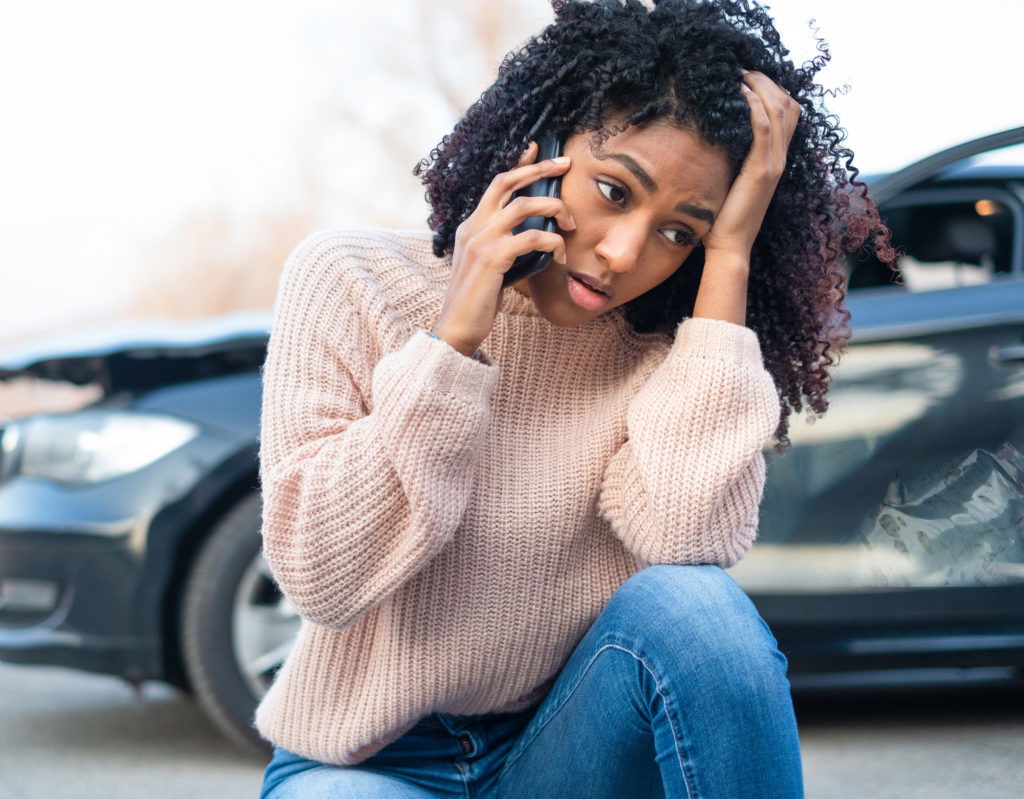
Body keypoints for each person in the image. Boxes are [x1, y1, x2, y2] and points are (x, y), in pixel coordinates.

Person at [254, 0, 893, 796]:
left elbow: (686, 538)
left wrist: (729, 254)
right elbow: (323, 575)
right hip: (368, 763)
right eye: (616, 191)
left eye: (678, 233)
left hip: (562, 751)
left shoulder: (671, 351)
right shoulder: (349, 280)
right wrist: (453, 342)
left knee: (699, 610)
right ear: (541, 146)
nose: (624, 254)